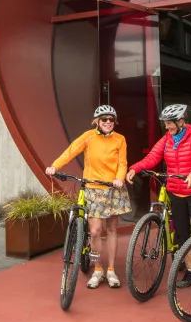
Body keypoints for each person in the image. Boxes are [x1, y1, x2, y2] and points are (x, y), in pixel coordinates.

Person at [126, 104, 191, 296]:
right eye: (165, 124)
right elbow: (152, 157)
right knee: (182, 235)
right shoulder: (166, 140)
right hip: (176, 192)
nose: (167, 127)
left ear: (181, 121)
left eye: (170, 124)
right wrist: (136, 168)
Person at [45, 105, 130, 289]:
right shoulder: (88, 137)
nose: (108, 122)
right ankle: (98, 269)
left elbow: (123, 162)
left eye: (111, 119)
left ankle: (111, 270)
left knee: (112, 229)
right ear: (97, 122)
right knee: (95, 231)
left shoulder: (120, 139)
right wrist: (54, 166)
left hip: (113, 188)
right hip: (93, 188)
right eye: (104, 119)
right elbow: (70, 151)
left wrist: (119, 178)